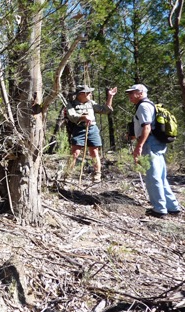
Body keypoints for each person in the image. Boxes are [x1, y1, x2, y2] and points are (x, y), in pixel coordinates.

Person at [125, 84, 181, 218]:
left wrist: (139, 146)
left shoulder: (143, 106)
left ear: (140, 93)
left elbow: (147, 128)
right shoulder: (149, 105)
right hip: (156, 143)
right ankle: (172, 207)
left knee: (153, 177)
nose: (130, 96)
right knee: (161, 177)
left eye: (132, 93)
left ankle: (159, 209)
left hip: (150, 143)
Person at [65, 84, 117, 182]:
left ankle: (97, 174)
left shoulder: (91, 103)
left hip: (92, 129)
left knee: (94, 151)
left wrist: (110, 96)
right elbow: (72, 116)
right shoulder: (71, 104)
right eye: (88, 92)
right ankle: (68, 175)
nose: (90, 94)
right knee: (75, 153)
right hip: (79, 129)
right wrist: (83, 117)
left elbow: (104, 110)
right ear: (81, 94)